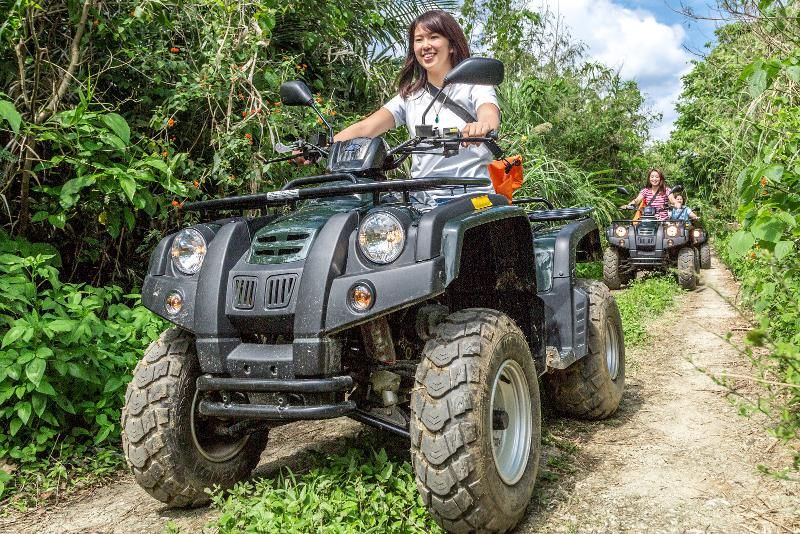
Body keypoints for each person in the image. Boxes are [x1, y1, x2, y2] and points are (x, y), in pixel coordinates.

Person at [332, 10, 501, 204]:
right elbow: (366, 128)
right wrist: (326, 146)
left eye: (434, 37)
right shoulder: (410, 97)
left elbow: (489, 113)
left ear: (452, 45)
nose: (426, 45)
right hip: (422, 200)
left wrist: (482, 126)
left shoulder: (474, 85)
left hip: (472, 196)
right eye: (419, 40)